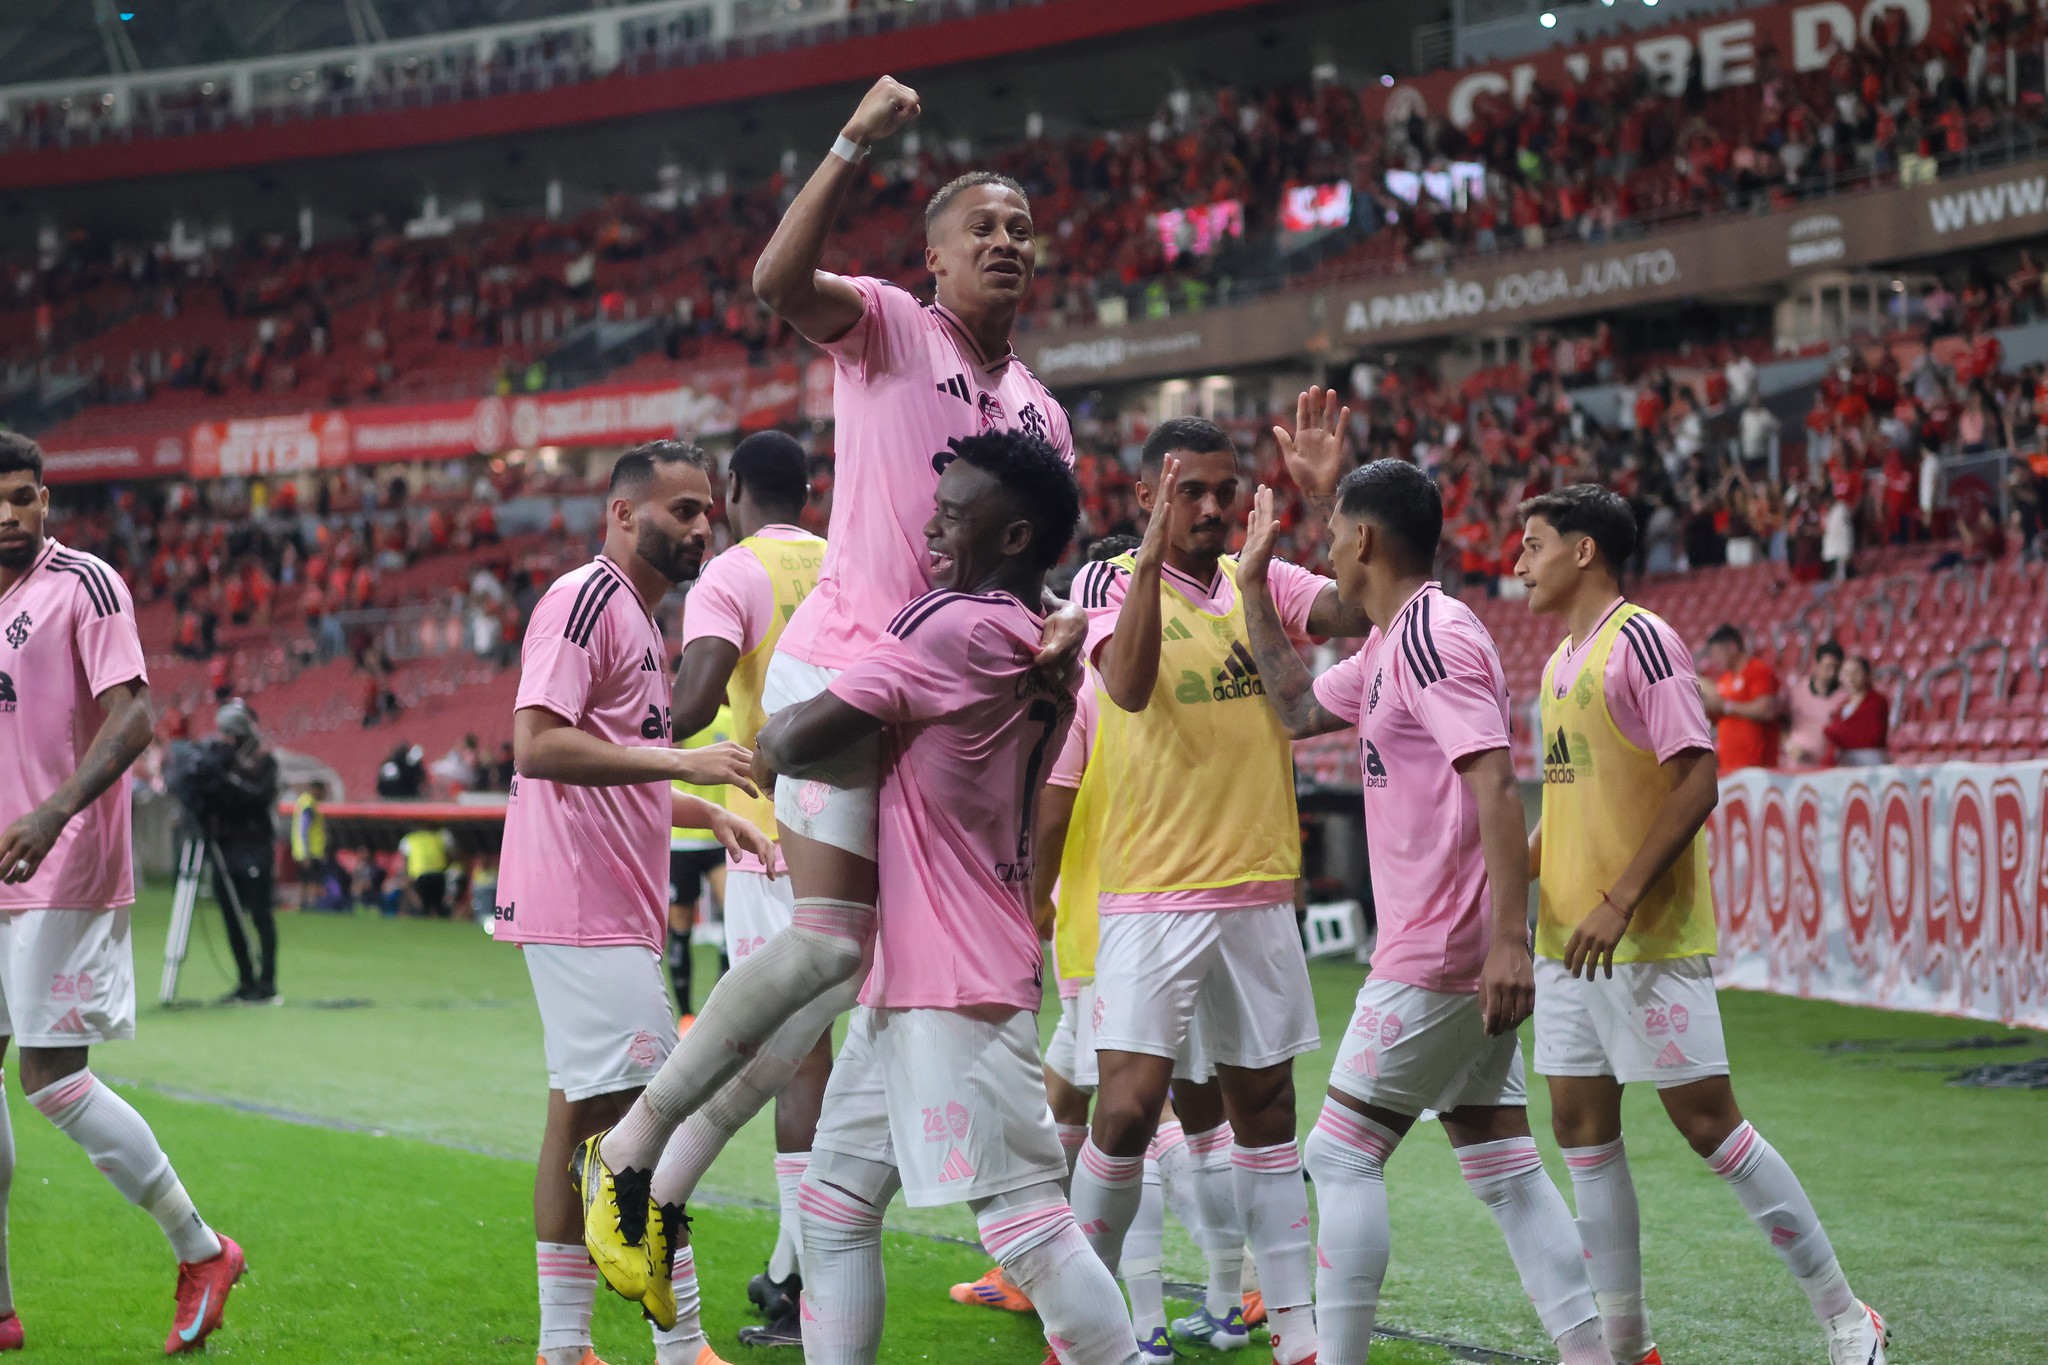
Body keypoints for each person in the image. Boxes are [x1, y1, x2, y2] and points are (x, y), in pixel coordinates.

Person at [578, 74, 1087, 1288]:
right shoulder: (890, 328)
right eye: (982, 228)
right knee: (823, 945)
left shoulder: (1039, 412)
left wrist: (1054, 631)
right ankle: (634, 1153)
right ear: (933, 257)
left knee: (842, 977)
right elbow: (772, 285)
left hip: (947, 695)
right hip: (846, 668)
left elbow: (1028, 566)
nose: (1006, 242)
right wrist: (854, 141)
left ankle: (664, 1182)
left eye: (1020, 227)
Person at [754, 430, 1138, 1365]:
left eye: (953, 516)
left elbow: (793, 743)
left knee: (1024, 1228)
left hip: (950, 978)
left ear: (1011, 537)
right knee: (836, 1202)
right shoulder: (1033, 638)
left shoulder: (952, 626)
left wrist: (773, 721)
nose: (929, 530)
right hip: (932, 964)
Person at [1237, 458, 1616, 1365]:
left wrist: (1505, 944)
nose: (1325, 551)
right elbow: (1292, 705)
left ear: (1364, 541)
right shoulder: (1388, 642)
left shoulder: (1432, 635)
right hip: (1452, 944)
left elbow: (1493, 784)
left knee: (1338, 1155)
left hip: (1443, 948)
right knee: (1503, 1164)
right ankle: (1592, 1353)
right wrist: (1254, 584)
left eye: (1333, 535)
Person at [1513, 484, 1889, 1365]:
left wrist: (1620, 898)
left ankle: (1846, 1317)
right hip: (1566, 941)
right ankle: (1627, 1346)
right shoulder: (1556, 660)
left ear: (1583, 552)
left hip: (1644, 934)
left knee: (1709, 1123)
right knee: (1580, 1131)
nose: (1516, 563)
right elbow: (1565, 809)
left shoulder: (1641, 639)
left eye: (1532, 544)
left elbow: (1697, 779)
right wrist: (1497, 871)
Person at [1066, 397, 1376, 1365]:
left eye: (1221, 490)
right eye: (1186, 491)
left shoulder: (1263, 578)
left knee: (1265, 1112)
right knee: (1122, 1111)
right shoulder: (1102, 580)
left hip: (1254, 888)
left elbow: (1355, 610)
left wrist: (1330, 502)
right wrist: (1152, 554)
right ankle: (1079, 1328)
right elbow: (1123, 683)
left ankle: (1293, 1331)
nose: (1208, 506)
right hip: (1152, 891)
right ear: (1148, 493)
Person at [492, 439, 770, 1365]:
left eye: (706, 511)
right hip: (582, 906)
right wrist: (682, 761)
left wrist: (702, 810)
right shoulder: (584, 600)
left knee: (579, 1118)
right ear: (622, 514)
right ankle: (684, 1343)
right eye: (681, 510)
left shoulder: (641, 624)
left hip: (602, 904)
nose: (702, 526)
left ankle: (563, 1345)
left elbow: (619, 766)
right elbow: (535, 743)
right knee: (653, 1118)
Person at [0, 431, 245, 1353]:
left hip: (61, 863)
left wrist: (55, 812)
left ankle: (202, 1247)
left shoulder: (86, 585)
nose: (10, 515)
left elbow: (135, 714)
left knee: (51, 1079)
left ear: (46, 500)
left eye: (25, 496)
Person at [665, 429, 826, 1346]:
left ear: (731, 490)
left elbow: (690, 706)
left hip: (768, 840)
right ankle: (793, 1260)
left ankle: (807, 1279)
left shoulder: (729, 574)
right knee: (828, 1054)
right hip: (850, 839)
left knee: (789, 1055)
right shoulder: (846, 559)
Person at [198, 699, 282, 1001]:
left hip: (254, 846)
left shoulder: (265, 763)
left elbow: (259, 799)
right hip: (225, 846)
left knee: (260, 915)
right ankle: (245, 980)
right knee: (232, 917)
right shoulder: (219, 762)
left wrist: (227, 781)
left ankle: (267, 982)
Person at [668, 706, 735, 1021]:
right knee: (680, 926)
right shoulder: (669, 720)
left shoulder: (728, 719)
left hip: (719, 837)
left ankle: (720, 1011)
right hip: (679, 839)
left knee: (731, 920)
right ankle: (686, 1015)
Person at [1701, 625, 1782, 772]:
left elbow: (1766, 709)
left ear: (1732, 647)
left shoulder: (1758, 670)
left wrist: (1726, 706)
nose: (1714, 660)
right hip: (1729, 766)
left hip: (1757, 767)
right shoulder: (1725, 679)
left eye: (1717, 653)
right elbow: (1720, 713)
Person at [1782, 640, 1843, 767]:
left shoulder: (1844, 697)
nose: (1832, 673)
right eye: (1828, 667)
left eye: (1836, 668)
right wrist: (1789, 745)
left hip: (1827, 766)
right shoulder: (1797, 691)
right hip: (1796, 764)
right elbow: (1781, 724)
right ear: (1816, 664)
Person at [1822, 656, 1888, 766]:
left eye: (1855, 673)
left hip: (1869, 763)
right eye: (1846, 673)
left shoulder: (1877, 701)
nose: (1850, 678)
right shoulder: (1841, 706)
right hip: (1845, 762)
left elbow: (1872, 737)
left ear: (1866, 675)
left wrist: (1834, 732)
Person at [290, 780, 334, 911]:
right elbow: (304, 828)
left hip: (307, 850)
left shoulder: (305, 802)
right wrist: (306, 852)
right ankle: (308, 904)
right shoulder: (309, 804)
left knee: (306, 879)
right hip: (309, 851)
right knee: (311, 879)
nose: (323, 795)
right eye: (322, 791)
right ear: (316, 790)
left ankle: (302, 905)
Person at [397, 825, 455, 918]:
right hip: (438, 874)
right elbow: (451, 855)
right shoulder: (441, 836)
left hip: (421, 875)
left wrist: (406, 875)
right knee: (437, 904)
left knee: (423, 905)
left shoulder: (410, 839)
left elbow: (405, 860)